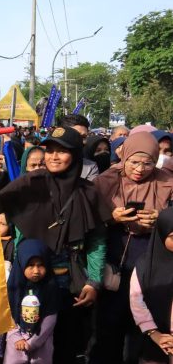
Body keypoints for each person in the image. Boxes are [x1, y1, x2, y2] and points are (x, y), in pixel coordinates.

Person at [0, 126, 112, 363]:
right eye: (50, 150)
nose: (53, 156)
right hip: (31, 279)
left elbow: (96, 242)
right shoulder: (28, 185)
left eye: (62, 151)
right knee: (27, 345)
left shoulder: (89, 193)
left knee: (65, 343)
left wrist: (94, 282)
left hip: (70, 283)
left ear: (77, 155)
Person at [90, 131, 173, 364]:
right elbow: (89, 214)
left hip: (151, 254)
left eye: (147, 163)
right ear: (124, 157)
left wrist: (162, 218)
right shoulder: (107, 180)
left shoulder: (166, 180)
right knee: (110, 321)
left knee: (145, 316)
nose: (140, 169)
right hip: (115, 252)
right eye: (134, 162)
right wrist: (112, 217)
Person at [4, 239, 59, 364]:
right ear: (21, 263)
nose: (36, 270)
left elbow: (50, 319)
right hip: (16, 342)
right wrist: (15, 337)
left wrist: (33, 342)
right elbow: (8, 314)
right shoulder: (13, 287)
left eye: (40, 265)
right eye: (30, 265)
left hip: (41, 341)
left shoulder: (50, 287)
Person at [130, 208, 173, 363]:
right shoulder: (145, 265)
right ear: (161, 235)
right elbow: (136, 301)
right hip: (155, 342)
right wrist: (155, 334)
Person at [59, 115, 99, 181]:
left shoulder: (90, 167)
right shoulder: (43, 162)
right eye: (75, 135)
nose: (80, 141)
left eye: (84, 137)